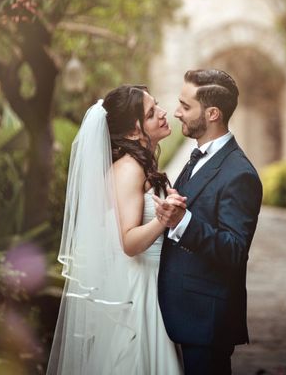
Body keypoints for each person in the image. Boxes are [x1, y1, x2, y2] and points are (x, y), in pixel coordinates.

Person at [47, 85, 183, 375]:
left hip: (155, 282)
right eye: (151, 113)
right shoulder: (129, 169)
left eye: (157, 105)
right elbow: (129, 242)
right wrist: (164, 219)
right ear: (134, 131)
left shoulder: (141, 163)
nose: (163, 113)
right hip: (139, 289)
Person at [154, 69, 263, 375]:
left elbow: (234, 251)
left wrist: (184, 221)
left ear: (212, 113)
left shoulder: (239, 174)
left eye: (185, 106)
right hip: (180, 313)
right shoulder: (198, 156)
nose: (176, 112)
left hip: (205, 319)